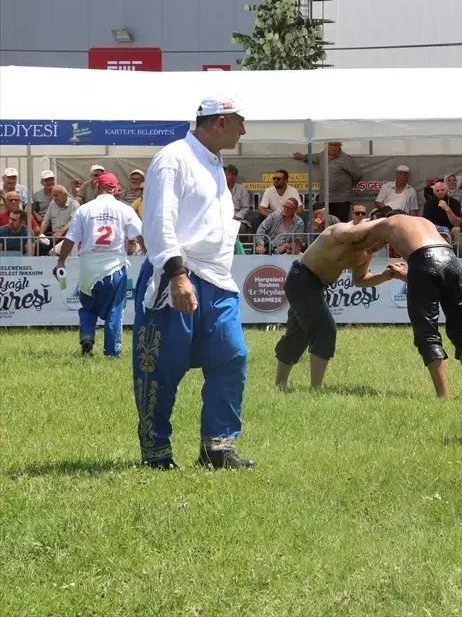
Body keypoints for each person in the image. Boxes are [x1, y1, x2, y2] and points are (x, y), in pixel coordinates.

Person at [132, 94, 254, 471]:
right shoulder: (173, 158)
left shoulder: (213, 162)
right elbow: (158, 219)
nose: (243, 129)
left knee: (232, 356)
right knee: (161, 366)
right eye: (239, 121)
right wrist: (177, 273)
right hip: (178, 275)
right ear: (220, 122)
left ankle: (218, 448)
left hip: (217, 278)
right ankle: (156, 452)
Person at [274, 219, 404, 390]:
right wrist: (385, 222)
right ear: (369, 230)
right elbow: (353, 234)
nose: (378, 246)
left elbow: (360, 280)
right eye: (378, 239)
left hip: (315, 286)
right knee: (325, 329)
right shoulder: (342, 229)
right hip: (301, 278)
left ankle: (280, 385)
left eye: (384, 243)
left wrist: (385, 276)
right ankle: (315, 389)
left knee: (298, 334)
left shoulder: (366, 253)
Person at [366, 213, 462, 398]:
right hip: (450, 259)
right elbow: (431, 276)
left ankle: (443, 395)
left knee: (427, 332)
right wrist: (402, 274)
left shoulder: (384, 224)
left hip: (424, 261)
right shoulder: (423, 221)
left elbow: (367, 245)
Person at [52, 172, 143, 357]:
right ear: (116, 188)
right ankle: (111, 352)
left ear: (96, 186)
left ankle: (87, 335)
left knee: (88, 306)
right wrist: (150, 256)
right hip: (115, 267)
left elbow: (71, 238)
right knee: (115, 310)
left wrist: (61, 261)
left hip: (89, 267)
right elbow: (140, 236)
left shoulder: (85, 209)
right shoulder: (125, 209)